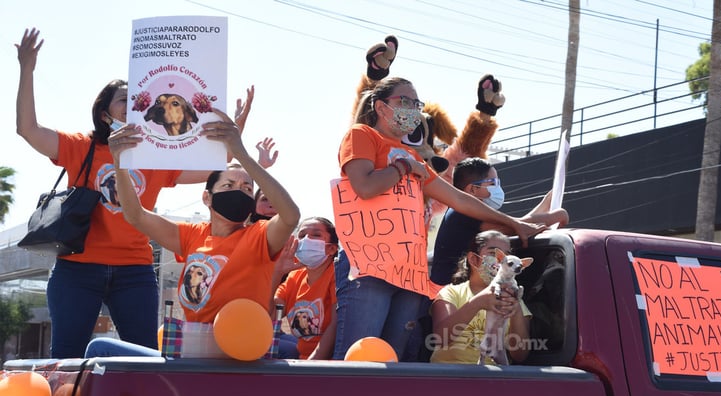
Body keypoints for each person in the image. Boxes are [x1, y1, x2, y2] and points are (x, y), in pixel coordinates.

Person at [15, 27, 255, 358]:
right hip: (77, 269)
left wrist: (235, 128)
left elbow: (217, 163)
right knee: (67, 357)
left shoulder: (156, 155)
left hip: (135, 271)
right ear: (104, 113)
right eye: (125, 100)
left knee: (141, 358)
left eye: (136, 100)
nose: (134, 106)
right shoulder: (80, 146)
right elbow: (27, 129)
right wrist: (27, 68)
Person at [331, 76, 545, 360]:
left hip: (408, 273)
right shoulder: (362, 135)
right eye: (404, 101)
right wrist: (402, 168)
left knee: (397, 360)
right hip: (369, 265)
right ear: (381, 107)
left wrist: (513, 223)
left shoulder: (413, 156)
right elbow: (365, 186)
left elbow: (458, 199)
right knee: (357, 356)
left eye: (416, 103)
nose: (412, 109)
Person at [84, 109, 300, 358]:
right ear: (207, 197)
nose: (238, 192)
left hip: (241, 353)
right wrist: (121, 161)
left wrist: (240, 153)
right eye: (228, 185)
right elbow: (136, 215)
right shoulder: (192, 235)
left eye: (246, 188)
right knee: (99, 349)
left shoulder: (260, 236)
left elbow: (291, 216)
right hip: (193, 351)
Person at [430, 157, 569, 286]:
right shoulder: (462, 213)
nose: (498, 188)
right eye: (493, 183)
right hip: (450, 296)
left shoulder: (463, 213)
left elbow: (519, 225)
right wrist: (554, 216)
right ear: (472, 189)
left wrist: (547, 202)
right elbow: (514, 227)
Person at [429, 230, 531, 364]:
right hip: (450, 375)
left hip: (492, 378)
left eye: (508, 256)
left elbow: (520, 354)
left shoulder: (514, 299)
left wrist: (516, 309)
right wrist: (477, 303)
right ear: (474, 259)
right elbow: (440, 339)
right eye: (494, 253)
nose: (502, 261)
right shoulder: (451, 293)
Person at [271, 217, 339, 359]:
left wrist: (312, 366)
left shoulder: (336, 274)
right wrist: (277, 273)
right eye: (302, 235)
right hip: (303, 358)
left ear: (331, 248)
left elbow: (336, 324)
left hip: (326, 362)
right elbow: (270, 316)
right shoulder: (294, 277)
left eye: (316, 235)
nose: (307, 239)